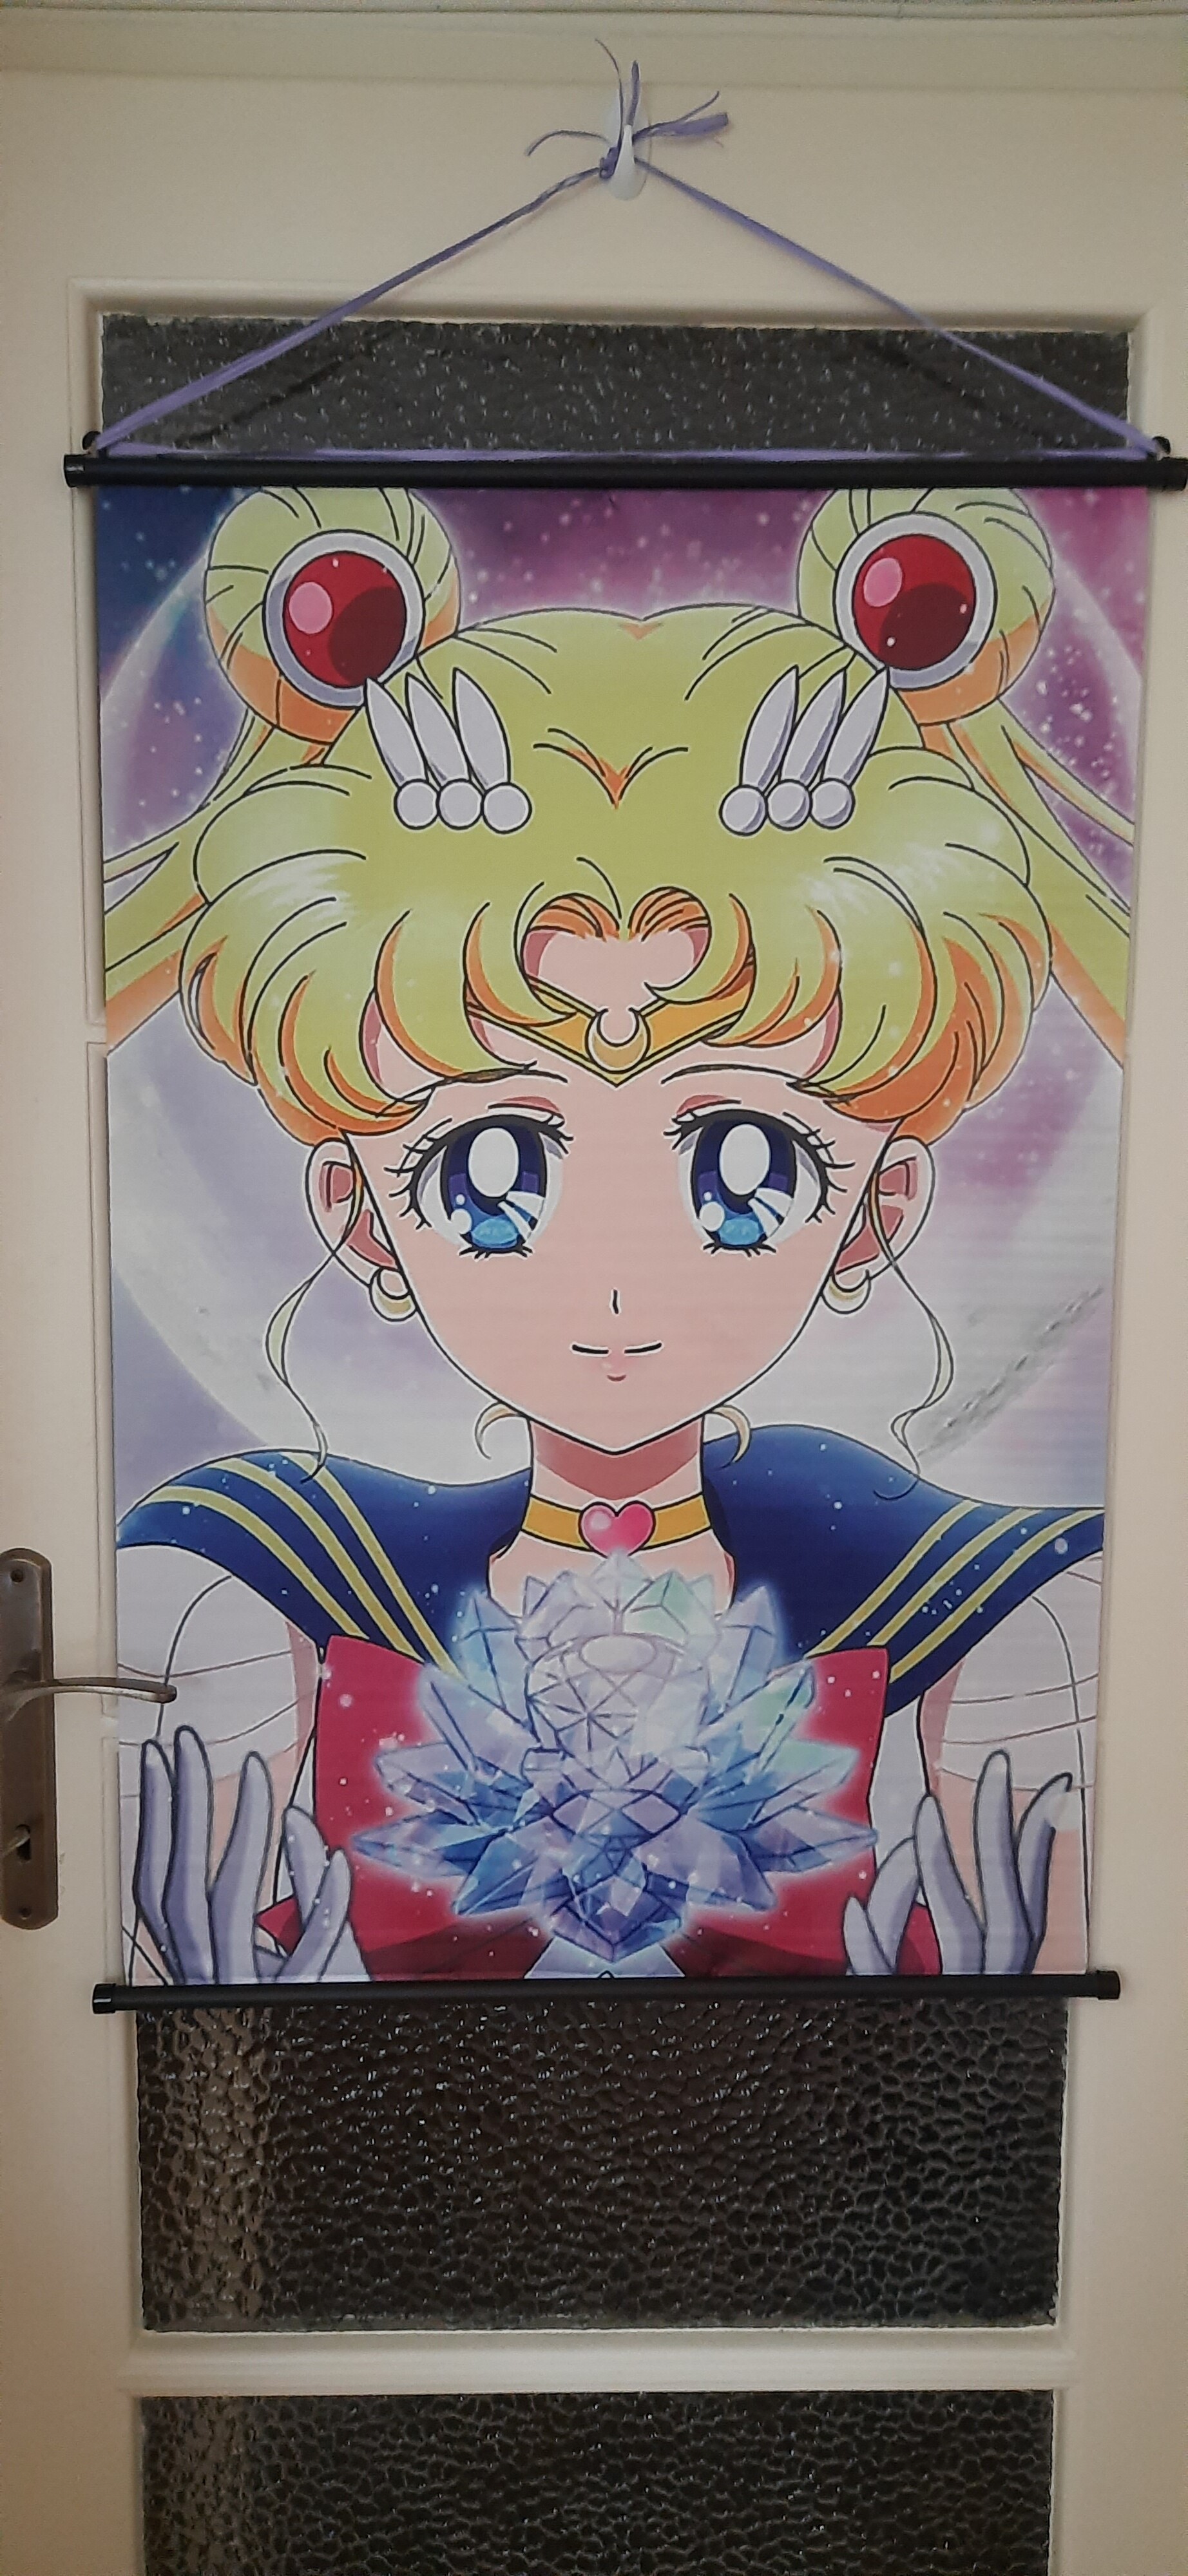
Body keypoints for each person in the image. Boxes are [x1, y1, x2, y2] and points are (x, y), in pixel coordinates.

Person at [108, 480, 1125, 1984]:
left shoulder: (948, 1593)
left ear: (879, 1206)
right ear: (356, 1209)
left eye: (742, 1166)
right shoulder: (270, 1575)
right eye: (494, 1170)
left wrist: (994, 1986)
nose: (614, 1274)